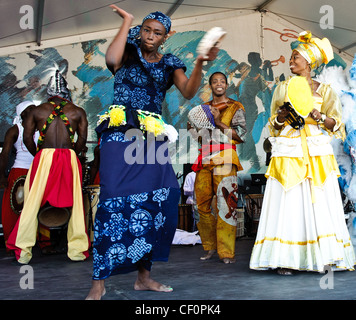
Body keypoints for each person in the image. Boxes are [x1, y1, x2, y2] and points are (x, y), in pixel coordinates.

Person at [86, 5, 218, 300]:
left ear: (165, 36)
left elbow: (187, 91)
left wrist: (199, 62)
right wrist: (127, 22)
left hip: (152, 137)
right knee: (112, 201)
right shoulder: (128, 52)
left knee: (159, 198)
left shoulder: (171, 62)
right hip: (120, 132)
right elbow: (110, 59)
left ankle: (143, 278)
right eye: (146, 29)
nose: (149, 36)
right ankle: (98, 283)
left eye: (156, 33)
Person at [249, 31, 356, 274]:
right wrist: (281, 117)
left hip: (317, 149)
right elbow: (273, 125)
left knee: (319, 198)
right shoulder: (282, 88)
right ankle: (287, 259)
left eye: (296, 57)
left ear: (308, 62)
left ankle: (324, 254)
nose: (291, 60)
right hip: (289, 148)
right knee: (290, 199)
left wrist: (320, 117)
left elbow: (336, 124)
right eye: (291, 56)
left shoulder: (325, 90)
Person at [6, 70, 90, 264]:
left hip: (44, 156)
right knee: (77, 203)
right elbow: (83, 139)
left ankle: (23, 251)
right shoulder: (77, 111)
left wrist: (39, 155)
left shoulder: (38, 110)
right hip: (69, 157)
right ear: (66, 92)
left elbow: (27, 138)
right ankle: (77, 250)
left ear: (49, 92)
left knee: (32, 202)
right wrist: (72, 154)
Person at [190, 71, 247, 264]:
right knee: (202, 205)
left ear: (226, 85)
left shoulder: (235, 107)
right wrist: (193, 129)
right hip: (205, 158)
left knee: (226, 205)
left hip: (225, 158)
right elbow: (197, 137)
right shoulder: (202, 108)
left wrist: (218, 122)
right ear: (210, 86)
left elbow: (241, 136)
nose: (219, 84)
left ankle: (226, 252)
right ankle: (210, 247)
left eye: (222, 81)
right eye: (215, 81)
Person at [0, 101, 39, 252]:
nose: (35, 111)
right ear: (22, 114)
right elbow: (4, 154)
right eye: (31, 109)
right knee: (16, 208)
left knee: (39, 207)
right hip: (20, 172)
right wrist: (2, 176)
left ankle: (43, 242)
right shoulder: (15, 129)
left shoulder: (42, 127)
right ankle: (13, 242)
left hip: (38, 171)